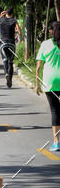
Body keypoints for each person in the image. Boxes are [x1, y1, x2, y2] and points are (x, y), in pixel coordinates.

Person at [35, 22, 60, 151]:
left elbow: (39, 66)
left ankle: (56, 142)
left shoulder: (46, 44)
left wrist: (36, 84)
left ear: (51, 31)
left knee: (55, 111)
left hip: (50, 82)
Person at [0, 8, 22, 87]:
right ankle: (10, 79)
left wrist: (0, 16)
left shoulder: (1, 19)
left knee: (5, 60)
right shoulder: (14, 20)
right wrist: (19, 38)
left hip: (3, 44)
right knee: (10, 62)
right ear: (12, 14)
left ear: (5, 13)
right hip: (11, 43)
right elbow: (19, 32)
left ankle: (6, 74)